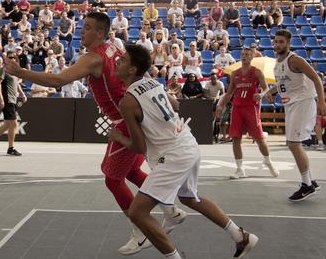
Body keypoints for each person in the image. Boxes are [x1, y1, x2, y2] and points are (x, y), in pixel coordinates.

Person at [4, 12, 186, 255]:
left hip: (125, 121)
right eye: (83, 26)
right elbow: (137, 76)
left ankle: (141, 230)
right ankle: (170, 208)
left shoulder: (93, 58)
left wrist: (22, 73)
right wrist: (162, 96)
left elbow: (59, 80)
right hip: (138, 117)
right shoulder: (114, 48)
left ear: (101, 33)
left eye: (88, 27)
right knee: (131, 170)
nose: (82, 30)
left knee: (112, 179)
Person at [109, 44, 259, 259]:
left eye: (122, 60)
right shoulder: (152, 81)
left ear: (132, 69)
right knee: (190, 198)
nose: (117, 62)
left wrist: (117, 137)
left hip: (173, 154)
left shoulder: (128, 102)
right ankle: (240, 236)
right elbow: (176, 105)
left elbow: (139, 147)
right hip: (188, 143)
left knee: (137, 212)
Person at [267, 29, 326, 201]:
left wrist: (322, 101)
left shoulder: (295, 60)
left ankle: (307, 185)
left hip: (303, 102)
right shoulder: (278, 62)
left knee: (293, 144)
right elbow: (284, 84)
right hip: (291, 104)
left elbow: (316, 79)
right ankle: (311, 182)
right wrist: (272, 92)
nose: (278, 44)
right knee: (293, 143)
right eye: (276, 41)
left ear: (288, 44)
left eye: (281, 42)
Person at [216, 48, 279, 179]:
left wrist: (261, 94)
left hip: (251, 108)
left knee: (259, 138)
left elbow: (266, 88)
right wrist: (221, 105)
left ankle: (268, 161)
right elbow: (229, 93)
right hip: (237, 108)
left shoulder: (257, 72)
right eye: (243, 55)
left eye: (247, 55)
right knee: (235, 138)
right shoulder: (235, 73)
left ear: (252, 57)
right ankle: (239, 169)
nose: (244, 57)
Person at [0, 51, 27, 156]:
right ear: (6, 59)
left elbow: (16, 84)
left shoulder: (15, 71)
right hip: (7, 99)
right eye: (9, 57)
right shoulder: (3, 70)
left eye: (13, 57)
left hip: (14, 99)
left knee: (8, 124)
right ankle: (11, 148)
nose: (12, 59)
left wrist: (22, 94)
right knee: (13, 123)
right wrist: (1, 98)